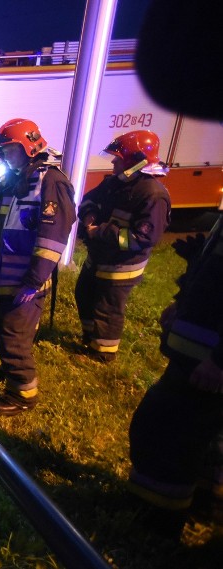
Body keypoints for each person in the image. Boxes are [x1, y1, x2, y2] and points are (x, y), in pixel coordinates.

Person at [0, 118, 76, 416]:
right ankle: (11, 370)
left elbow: (53, 238)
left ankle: (23, 394)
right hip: (9, 274)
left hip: (27, 278)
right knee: (2, 327)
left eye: (8, 151)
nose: (4, 157)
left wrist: (33, 281)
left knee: (12, 333)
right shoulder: (17, 180)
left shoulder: (51, 182)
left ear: (29, 146)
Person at [128, 206, 222, 533]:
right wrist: (181, 301)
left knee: (166, 433)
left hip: (208, 365)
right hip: (195, 358)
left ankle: (156, 522)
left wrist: (219, 362)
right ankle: (203, 505)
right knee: (203, 438)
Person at [75, 130, 171, 361]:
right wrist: (89, 214)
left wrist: (101, 231)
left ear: (134, 162)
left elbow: (143, 238)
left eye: (118, 158)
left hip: (121, 266)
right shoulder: (115, 184)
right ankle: (90, 339)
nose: (114, 162)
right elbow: (89, 199)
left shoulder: (152, 194)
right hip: (99, 256)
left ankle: (103, 355)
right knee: (84, 294)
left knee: (107, 309)